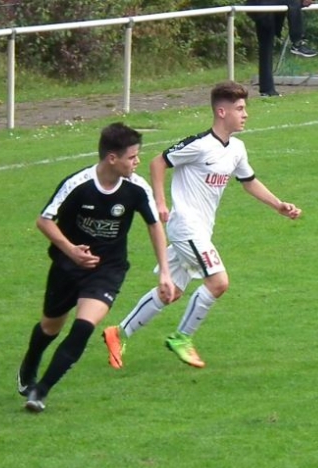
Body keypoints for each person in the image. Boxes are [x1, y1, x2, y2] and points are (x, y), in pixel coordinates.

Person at [102, 81, 302, 370]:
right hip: (186, 227)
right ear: (222, 112)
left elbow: (249, 181)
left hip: (201, 230)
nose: (245, 114)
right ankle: (182, 337)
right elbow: (158, 162)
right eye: (240, 109)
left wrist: (278, 205)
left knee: (171, 292)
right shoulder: (199, 145)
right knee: (219, 282)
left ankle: (118, 333)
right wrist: (160, 202)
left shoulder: (237, 149)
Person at [17, 123, 174, 413]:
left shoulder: (137, 188)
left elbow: (154, 225)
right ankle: (30, 362)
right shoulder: (78, 184)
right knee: (50, 327)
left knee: (83, 327)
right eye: (132, 157)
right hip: (67, 266)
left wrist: (165, 271)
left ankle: (41, 390)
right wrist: (71, 251)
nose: (137, 162)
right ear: (112, 158)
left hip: (108, 269)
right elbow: (44, 220)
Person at [246, 0, 317, 97]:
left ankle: (267, 89)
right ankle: (297, 42)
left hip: (268, 10)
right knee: (293, 2)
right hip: (261, 6)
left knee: (266, 49)